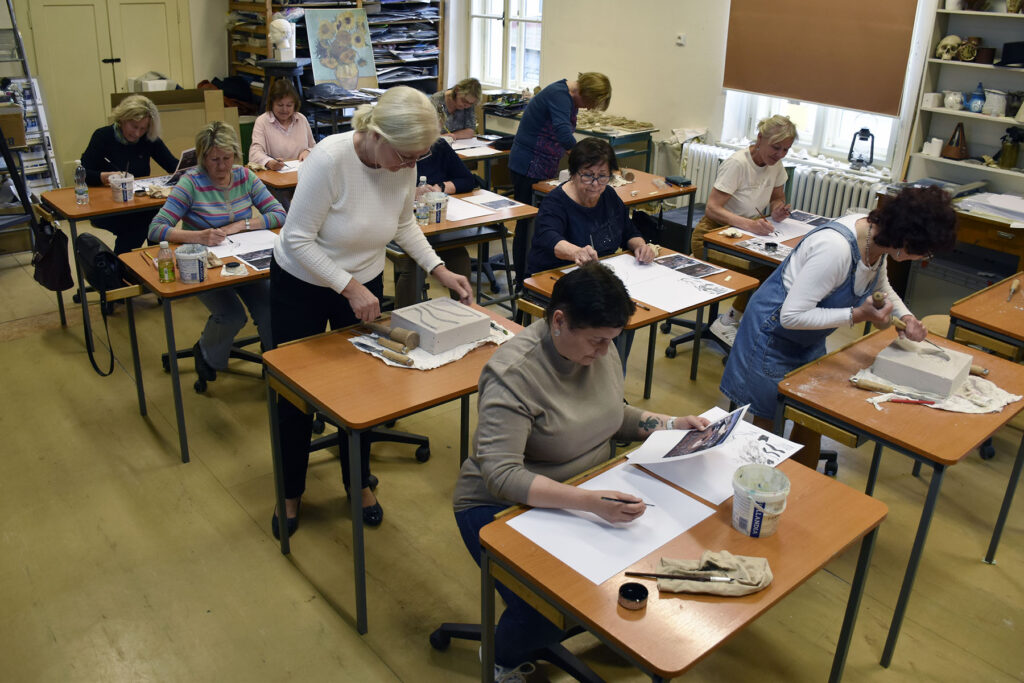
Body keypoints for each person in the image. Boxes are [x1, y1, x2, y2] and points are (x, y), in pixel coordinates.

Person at [453, 262, 708, 676]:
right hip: (502, 507)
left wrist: (672, 424)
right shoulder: (514, 374)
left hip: (585, 492)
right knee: (544, 608)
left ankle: (577, 621)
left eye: (612, 340)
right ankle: (502, 658)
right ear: (559, 321)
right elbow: (501, 476)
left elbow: (611, 415)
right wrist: (589, 502)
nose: (605, 352)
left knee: (640, 566)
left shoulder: (594, 349)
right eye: (597, 341)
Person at [269, 86, 473, 538]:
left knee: (363, 390)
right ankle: (290, 491)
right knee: (294, 396)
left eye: (417, 157)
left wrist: (439, 269)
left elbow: (403, 223)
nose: (409, 166)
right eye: (405, 156)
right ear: (376, 134)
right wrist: (348, 286)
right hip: (303, 284)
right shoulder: (329, 159)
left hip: (362, 284)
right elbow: (297, 239)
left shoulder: (403, 159)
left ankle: (357, 481)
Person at [719, 186, 957, 468]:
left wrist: (907, 318)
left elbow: (880, 284)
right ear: (906, 242)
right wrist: (857, 315)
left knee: (812, 416)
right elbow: (791, 316)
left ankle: (803, 485)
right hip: (771, 335)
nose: (923, 258)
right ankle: (761, 480)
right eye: (925, 252)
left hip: (807, 337)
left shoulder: (877, 239)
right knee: (768, 425)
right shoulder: (836, 249)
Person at [148, 122, 286, 383]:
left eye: (227, 158)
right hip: (206, 263)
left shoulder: (244, 176)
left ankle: (276, 368)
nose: (222, 166)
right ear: (202, 158)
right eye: (214, 160)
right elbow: (156, 229)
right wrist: (198, 236)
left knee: (270, 308)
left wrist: (242, 225)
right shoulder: (191, 183)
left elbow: (279, 214)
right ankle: (205, 352)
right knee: (231, 315)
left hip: (243, 259)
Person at [689, 114, 797, 347]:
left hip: (744, 235)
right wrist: (750, 225)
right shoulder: (738, 164)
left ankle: (739, 320)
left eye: (786, 150)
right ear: (760, 138)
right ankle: (728, 321)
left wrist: (778, 210)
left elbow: (777, 197)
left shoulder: (775, 165)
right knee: (761, 274)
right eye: (776, 147)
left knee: (778, 270)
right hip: (712, 235)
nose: (780, 154)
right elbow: (712, 208)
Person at [508, 72, 612, 286]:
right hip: (528, 165)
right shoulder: (559, 95)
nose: (587, 108)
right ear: (584, 92)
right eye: (589, 103)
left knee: (543, 222)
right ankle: (523, 279)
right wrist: (588, 162)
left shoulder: (568, 97)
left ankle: (539, 274)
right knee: (528, 225)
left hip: (542, 165)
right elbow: (564, 134)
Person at [525, 137, 654, 276]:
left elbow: (629, 232)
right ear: (573, 174)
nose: (595, 184)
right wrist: (577, 252)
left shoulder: (609, 195)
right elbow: (550, 238)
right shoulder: (555, 202)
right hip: (557, 274)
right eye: (587, 175)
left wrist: (641, 246)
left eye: (602, 176)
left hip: (598, 273)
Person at [81, 94, 178, 254]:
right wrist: (104, 177)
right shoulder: (103, 136)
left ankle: (158, 260)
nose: (137, 133)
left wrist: (193, 164)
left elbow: (172, 165)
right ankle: (122, 266)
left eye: (143, 128)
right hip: (108, 206)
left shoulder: (148, 138)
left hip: (139, 204)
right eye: (134, 126)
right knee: (138, 228)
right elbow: (83, 173)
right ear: (122, 119)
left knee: (159, 222)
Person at [393, 136, 477, 307]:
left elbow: (468, 180)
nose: (414, 162)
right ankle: (403, 318)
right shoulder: (394, 152)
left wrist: (440, 187)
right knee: (412, 266)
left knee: (459, 258)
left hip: (436, 225)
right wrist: (410, 192)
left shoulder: (439, 146)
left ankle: (464, 313)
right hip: (399, 227)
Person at [248, 80, 316, 208]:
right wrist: (269, 162)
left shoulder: (301, 119)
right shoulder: (262, 121)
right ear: (272, 103)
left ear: (295, 105)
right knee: (284, 205)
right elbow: (254, 152)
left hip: (300, 177)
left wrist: (308, 151)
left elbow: (314, 146)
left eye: (289, 105)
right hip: (276, 181)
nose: (285, 109)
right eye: (280, 105)